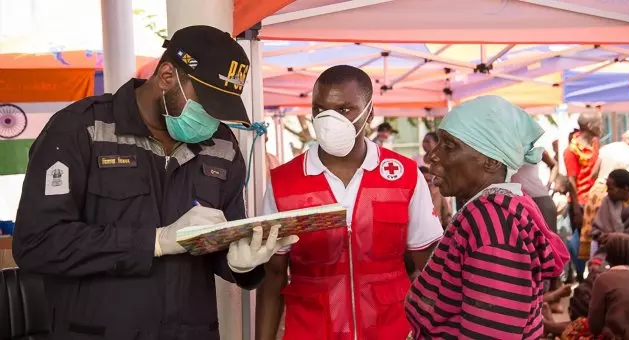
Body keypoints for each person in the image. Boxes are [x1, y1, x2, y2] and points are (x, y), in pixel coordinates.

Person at [11, 26, 297, 340]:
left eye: (222, 111)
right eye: (207, 106)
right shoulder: (82, 130)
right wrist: (155, 242)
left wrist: (241, 263)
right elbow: (37, 243)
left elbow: (224, 238)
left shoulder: (222, 146)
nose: (213, 121)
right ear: (166, 76)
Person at [256, 65, 443, 340]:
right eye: (320, 110)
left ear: (370, 112)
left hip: (392, 331)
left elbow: (429, 266)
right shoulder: (284, 182)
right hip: (310, 331)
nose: (329, 120)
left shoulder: (403, 175)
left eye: (344, 110)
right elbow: (272, 278)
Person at [405, 95, 569, 339]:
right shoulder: (494, 212)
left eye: (449, 146)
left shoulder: (492, 222)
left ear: (491, 162)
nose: (432, 156)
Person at [579, 125, 629, 267]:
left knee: (594, 238)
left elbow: (593, 173)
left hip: (596, 193)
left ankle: (593, 266)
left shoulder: (609, 147)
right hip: (617, 195)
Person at [564, 112, 602, 282]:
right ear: (590, 127)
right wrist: (576, 210)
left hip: (594, 200)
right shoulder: (571, 151)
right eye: (598, 123)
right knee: (580, 242)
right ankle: (580, 277)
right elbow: (571, 182)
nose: (601, 127)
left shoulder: (595, 144)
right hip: (579, 204)